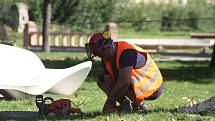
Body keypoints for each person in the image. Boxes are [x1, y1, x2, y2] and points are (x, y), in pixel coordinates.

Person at [85, 31, 163, 113]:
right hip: (136, 84)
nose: (101, 57)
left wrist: (108, 103)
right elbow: (108, 81)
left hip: (152, 87)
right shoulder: (106, 56)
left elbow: (124, 82)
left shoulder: (126, 53)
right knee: (101, 80)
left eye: (101, 54)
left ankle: (140, 106)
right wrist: (111, 104)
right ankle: (125, 104)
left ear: (107, 46)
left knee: (122, 81)